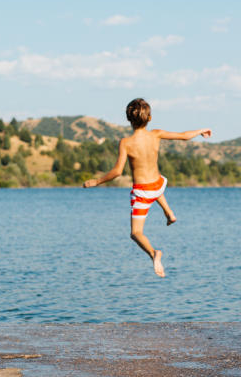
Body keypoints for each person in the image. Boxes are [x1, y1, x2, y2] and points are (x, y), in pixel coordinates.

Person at [83, 98, 212, 277]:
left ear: (128, 119)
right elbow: (183, 136)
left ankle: (154, 253)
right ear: (149, 118)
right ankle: (169, 213)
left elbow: (117, 172)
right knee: (157, 188)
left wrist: (96, 181)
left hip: (143, 192)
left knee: (135, 233)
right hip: (158, 184)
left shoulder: (126, 142)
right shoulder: (156, 134)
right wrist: (201, 130)